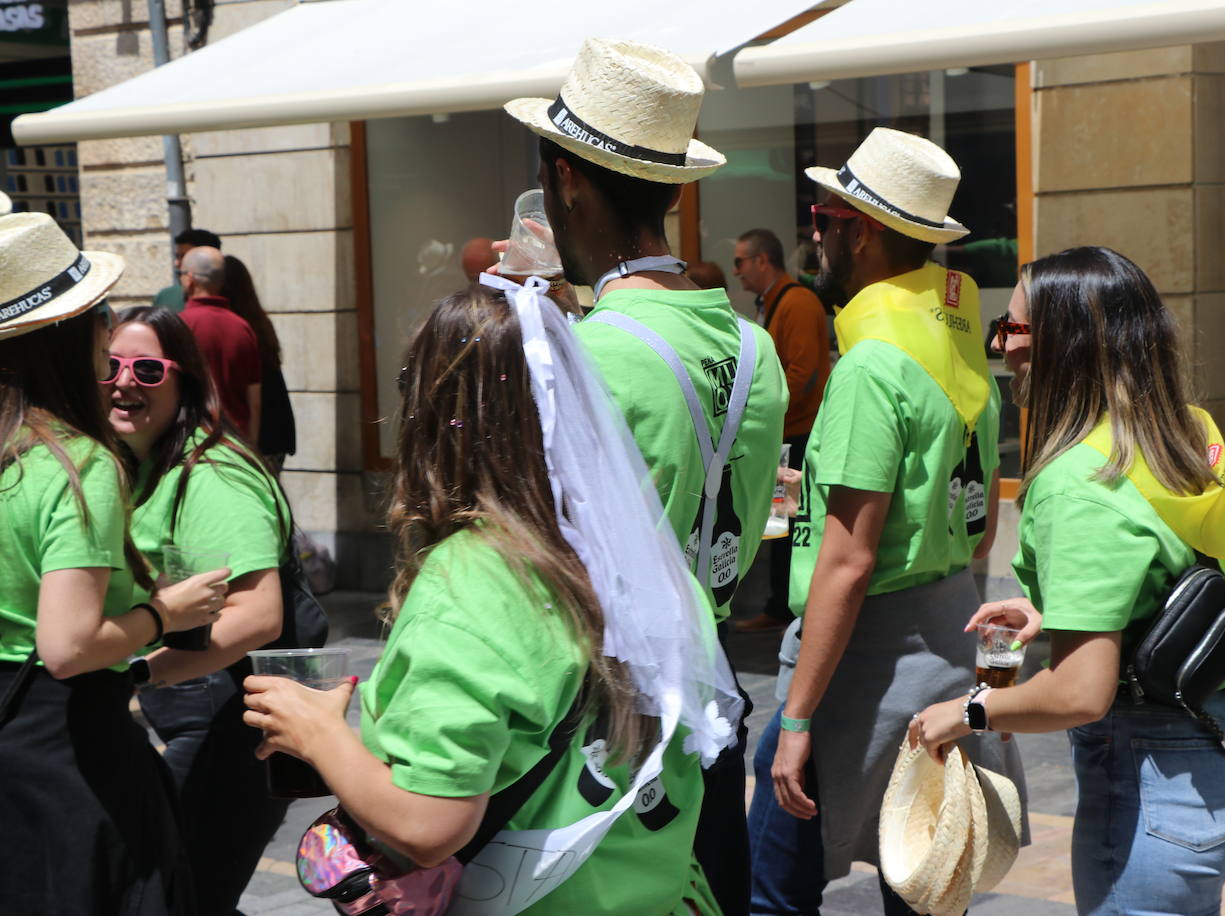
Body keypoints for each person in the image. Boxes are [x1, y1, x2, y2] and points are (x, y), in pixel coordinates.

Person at [243, 277, 739, 915]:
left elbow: (429, 826)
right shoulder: (643, 558)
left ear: (432, 414)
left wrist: (318, 735)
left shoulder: (472, 584)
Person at [912, 246, 1225, 916]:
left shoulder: (1077, 483)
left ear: (1066, 343)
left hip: (1156, 783)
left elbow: (1082, 694)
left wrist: (965, 714)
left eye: (1015, 328)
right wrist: (1055, 609)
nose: (1003, 346)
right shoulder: (1189, 434)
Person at [503, 38, 788, 914]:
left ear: (566, 180)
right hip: (710, 702)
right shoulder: (755, 347)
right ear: (673, 189)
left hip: (602, 727)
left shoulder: (580, 358)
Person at [749, 127, 1026, 916]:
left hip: (859, 662)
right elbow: (970, 518)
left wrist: (797, 718)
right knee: (928, 882)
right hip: (945, 645)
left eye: (821, 215)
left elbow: (848, 564)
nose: (815, 232)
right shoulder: (962, 346)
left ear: (858, 231)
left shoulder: (871, 362)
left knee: (773, 888)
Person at [0, 211, 228, 914]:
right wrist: (162, 613)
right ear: (67, 336)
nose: (109, 327)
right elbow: (67, 648)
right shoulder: (76, 464)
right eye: (98, 314)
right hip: (70, 755)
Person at [105, 305, 295, 916]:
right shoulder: (138, 462)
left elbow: (258, 615)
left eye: (149, 370)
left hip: (231, 717)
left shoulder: (211, 473)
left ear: (184, 379)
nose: (125, 381)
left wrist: (138, 671)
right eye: (111, 365)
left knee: (180, 892)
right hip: (187, 705)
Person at [731, 227, 831, 633]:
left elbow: (803, 374)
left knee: (793, 524)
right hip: (786, 431)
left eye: (740, 261)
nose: (734, 271)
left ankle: (789, 608)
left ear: (761, 261)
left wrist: (767, 422)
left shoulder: (799, 302)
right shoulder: (772, 302)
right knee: (780, 522)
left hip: (798, 432)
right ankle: (779, 606)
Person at [179, 245, 262, 442]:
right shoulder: (243, 327)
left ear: (190, 279)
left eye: (180, 273)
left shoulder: (180, 325)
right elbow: (254, 399)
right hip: (237, 441)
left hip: (193, 439)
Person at [222, 255, 296, 467]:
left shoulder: (237, 328)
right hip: (276, 426)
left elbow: (253, 396)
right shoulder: (258, 322)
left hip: (259, 432)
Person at [153, 227, 222, 311]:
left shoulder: (229, 295)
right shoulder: (166, 297)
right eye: (177, 256)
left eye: (184, 256)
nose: (177, 263)